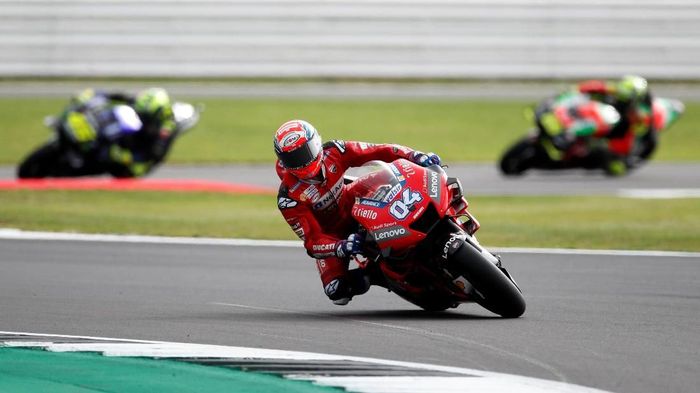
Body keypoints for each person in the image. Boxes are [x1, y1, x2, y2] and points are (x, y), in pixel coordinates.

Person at [274, 120, 442, 305]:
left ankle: (441, 209)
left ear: (315, 145)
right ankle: (376, 274)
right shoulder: (288, 197)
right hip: (334, 235)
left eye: (303, 154)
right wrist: (341, 247)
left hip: (355, 198)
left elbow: (379, 150)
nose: (300, 163)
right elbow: (313, 240)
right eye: (292, 159)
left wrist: (414, 155)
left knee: (403, 173)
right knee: (337, 291)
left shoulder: (335, 150)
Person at [61, 87, 177, 177]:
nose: (139, 114)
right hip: (126, 136)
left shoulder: (162, 129)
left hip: (133, 166)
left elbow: (153, 154)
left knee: (105, 158)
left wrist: (123, 156)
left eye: (143, 115)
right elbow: (123, 98)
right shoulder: (141, 105)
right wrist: (99, 95)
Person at [554, 75, 654, 175]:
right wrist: (574, 91)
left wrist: (623, 160)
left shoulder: (638, 117)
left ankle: (573, 141)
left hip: (609, 137)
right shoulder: (612, 91)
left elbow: (632, 142)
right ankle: (568, 134)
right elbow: (591, 87)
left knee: (614, 164)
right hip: (586, 118)